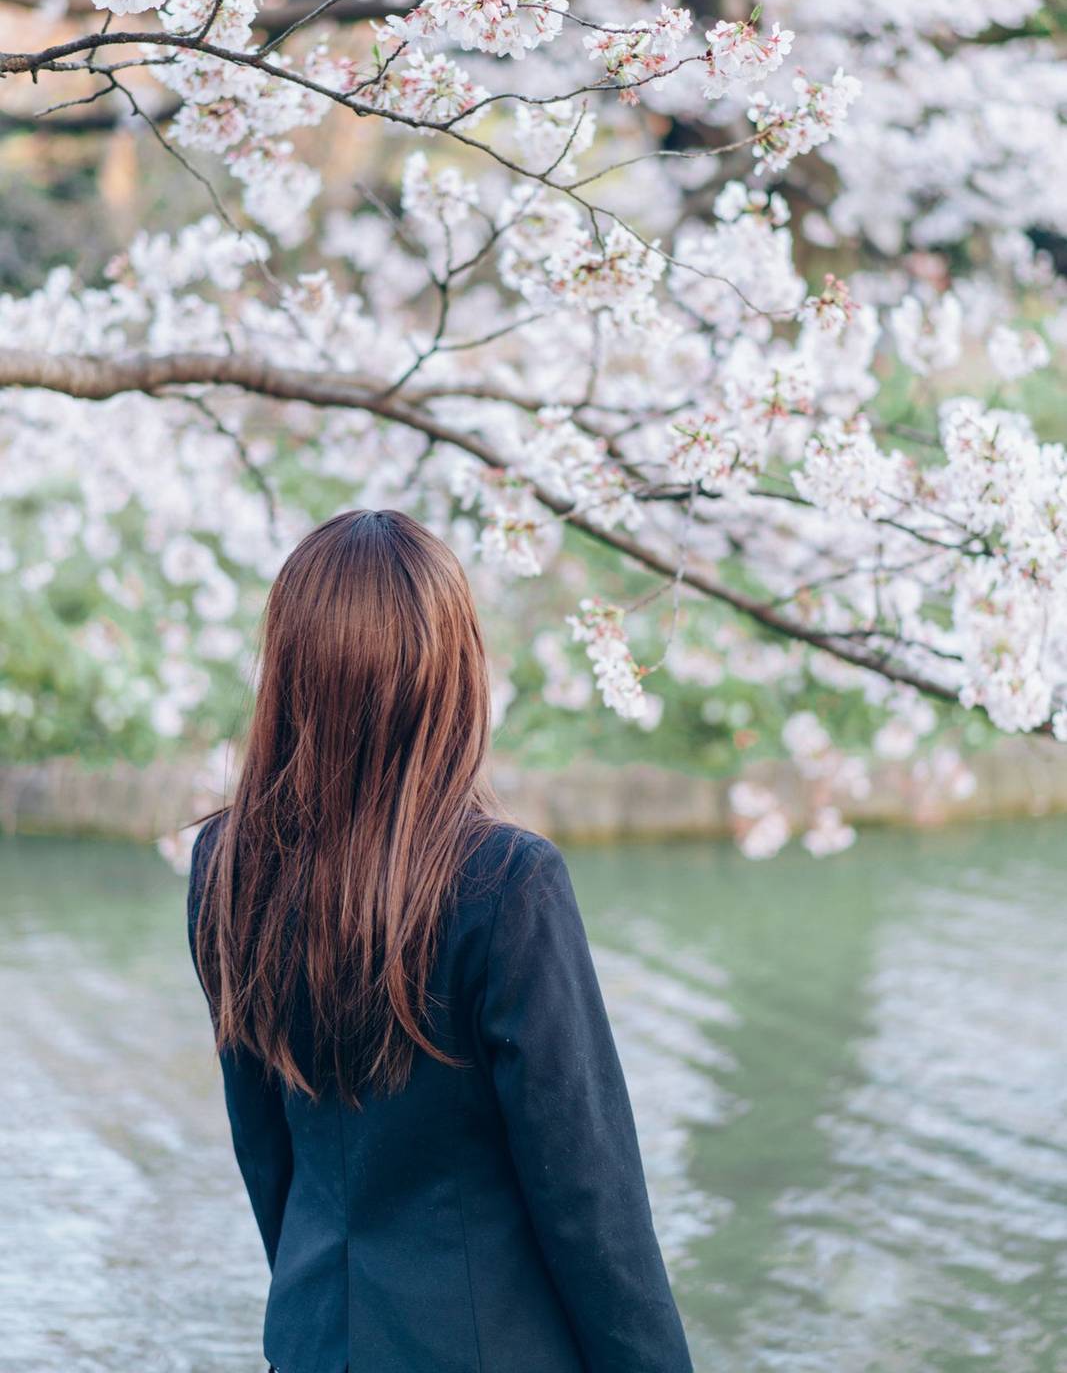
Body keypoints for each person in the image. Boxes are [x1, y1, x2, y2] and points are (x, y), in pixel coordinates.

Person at [187, 508, 693, 1373]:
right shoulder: (506, 882)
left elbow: (262, 1145)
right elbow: (587, 1196)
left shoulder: (225, 865)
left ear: (290, 672)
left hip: (314, 1340)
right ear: (450, 673)